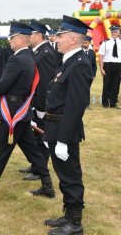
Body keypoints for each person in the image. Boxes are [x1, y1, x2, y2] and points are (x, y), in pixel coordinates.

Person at [0, 22, 55, 204]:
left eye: (11, 38)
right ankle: (47, 185)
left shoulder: (18, 58)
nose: (10, 41)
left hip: (13, 114)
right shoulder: (28, 56)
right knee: (32, 151)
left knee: (0, 152)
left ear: (20, 38)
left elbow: (4, 83)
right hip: (22, 111)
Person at [42, 15, 93, 235]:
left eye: (60, 36)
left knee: (71, 176)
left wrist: (62, 140)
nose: (56, 39)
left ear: (73, 38)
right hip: (55, 127)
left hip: (66, 130)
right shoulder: (69, 60)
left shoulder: (80, 64)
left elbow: (75, 106)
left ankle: (75, 223)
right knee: (63, 174)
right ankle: (68, 214)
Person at [19, 20, 56, 181]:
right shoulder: (36, 51)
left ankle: (40, 170)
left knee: (41, 137)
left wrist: (41, 107)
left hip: (41, 104)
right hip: (33, 102)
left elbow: (45, 82)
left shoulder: (46, 53)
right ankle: (36, 164)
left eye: (31, 34)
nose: (28, 37)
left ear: (39, 35)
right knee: (35, 136)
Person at [98, 25, 121, 108]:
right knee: (107, 84)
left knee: (116, 84)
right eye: (112, 32)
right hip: (108, 65)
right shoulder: (105, 42)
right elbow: (101, 56)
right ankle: (105, 102)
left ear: (119, 33)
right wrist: (101, 68)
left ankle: (113, 103)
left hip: (118, 65)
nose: (113, 33)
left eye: (115, 32)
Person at [82, 35, 97, 108]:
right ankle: (79, 103)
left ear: (89, 43)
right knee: (79, 89)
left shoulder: (92, 52)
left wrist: (94, 75)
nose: (84, 44)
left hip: (89, 75)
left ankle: (87, 104)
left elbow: (94, 65)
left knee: (87, 89)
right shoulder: (79, 52)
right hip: (80, 74)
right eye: (83, 42)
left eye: (86, 43)